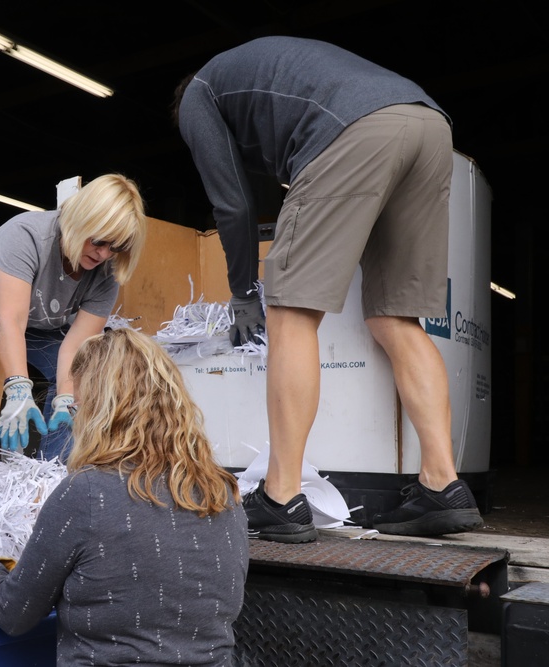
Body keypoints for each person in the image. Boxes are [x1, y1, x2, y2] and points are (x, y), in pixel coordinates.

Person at [173, 35, 484, 542]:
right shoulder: (262, 78)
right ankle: (442, 485)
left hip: (353, 130)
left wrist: (243, 294)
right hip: (428, 124)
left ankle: (280, 496)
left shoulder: (197, 97)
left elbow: (233, 205)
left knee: (291, 312)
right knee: (395, 317)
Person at [0, 327, 249, 666]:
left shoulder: (87, 492)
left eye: (77, 406)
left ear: (97, 409)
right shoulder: (224, 491)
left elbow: (14, 613)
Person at [0, 173, 147, 462]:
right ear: (82, 220)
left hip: (34, 320)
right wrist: (18, 388)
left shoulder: (107, 272)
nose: (103, 254)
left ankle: (51, 473)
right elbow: (11, 322)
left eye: (116, 247)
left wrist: (65, 396)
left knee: (83, 376)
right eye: (100, 241)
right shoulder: (28, 235)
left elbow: (76, 345)